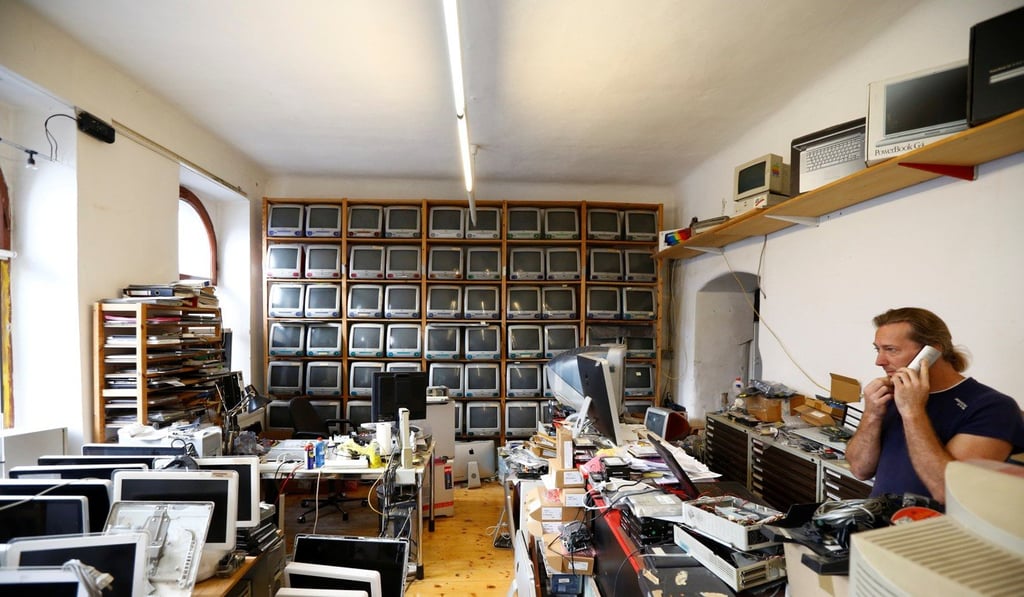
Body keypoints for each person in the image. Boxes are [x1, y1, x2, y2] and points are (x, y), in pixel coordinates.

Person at [845, 307, 1024, 503]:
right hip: (879, 525)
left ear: (932, 352)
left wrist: (913, 412)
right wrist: (872, 414)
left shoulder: (993, 408)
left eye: (891, 350)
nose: (879, 361)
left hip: (934, 531)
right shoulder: (894, 393)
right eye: (877, 349)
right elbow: (860, 470)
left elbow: (947, 492)